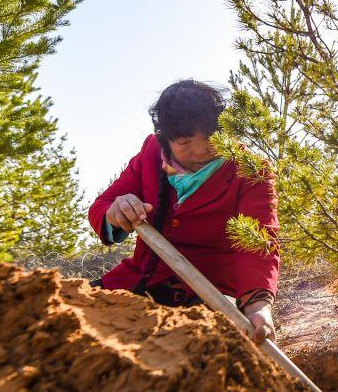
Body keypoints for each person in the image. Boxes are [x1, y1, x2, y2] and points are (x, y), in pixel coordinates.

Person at [88, 80, 278, 344]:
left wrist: (258, 305)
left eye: (209, 139)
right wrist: (115, 211)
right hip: (138, 282)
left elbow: (257, 243)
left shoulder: (251, 171)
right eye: (185, 143)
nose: (200, 152)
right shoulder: (151, 152)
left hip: (210, 294)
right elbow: (103, 205)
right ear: (165, 139)